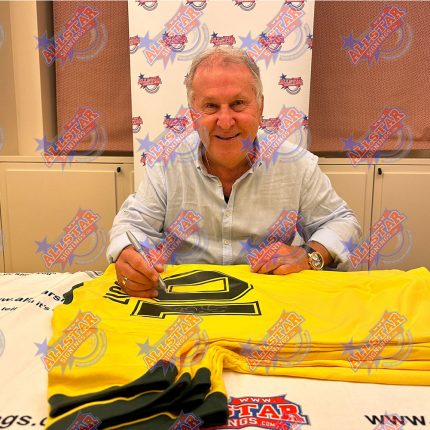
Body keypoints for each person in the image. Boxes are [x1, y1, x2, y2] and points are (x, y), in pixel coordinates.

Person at [107, 47, 362, 298]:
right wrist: (129, 256)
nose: (226, 122)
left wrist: (310, 255)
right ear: (193, 114)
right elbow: (132, 225)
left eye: (238, 104)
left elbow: (342, 222)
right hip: (186, 303)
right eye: (210, 106)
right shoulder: (166, 163)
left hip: (271, 305)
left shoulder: (297, 164)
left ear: (260, 107)